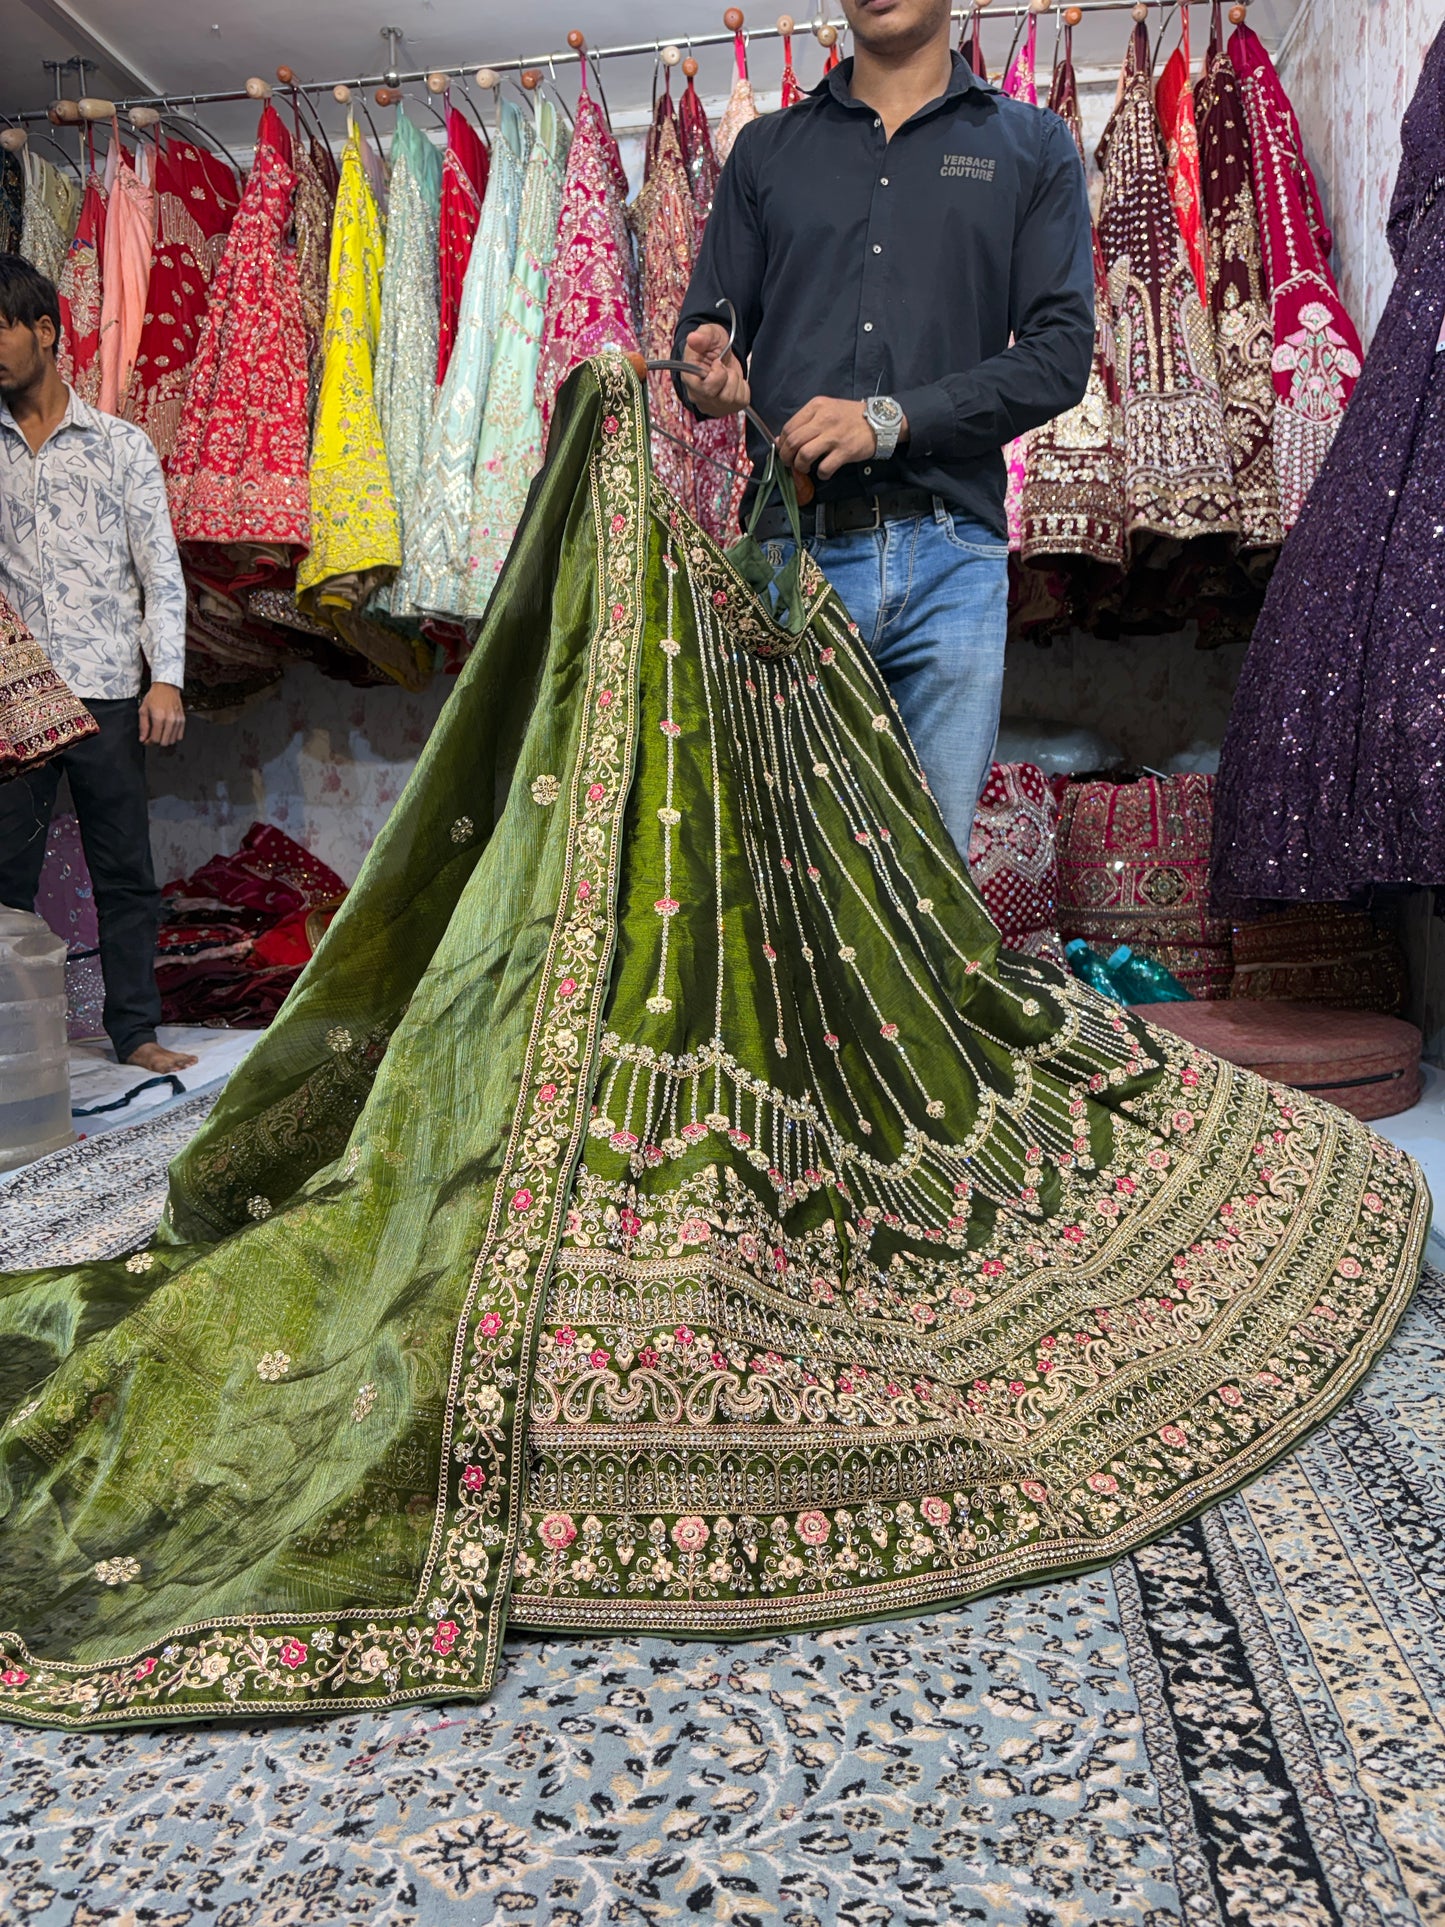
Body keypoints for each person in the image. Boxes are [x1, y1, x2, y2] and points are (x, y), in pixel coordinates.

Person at [0, 357, 1424, 1732]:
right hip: (779, 535)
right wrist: (708, 382)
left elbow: (1047, 351)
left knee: (911, 930)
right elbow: (701, 362)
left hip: (933, 531)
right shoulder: (774, 214)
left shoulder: (1007, 181)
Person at [676, 0, 1095, 850]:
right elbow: (704, 342)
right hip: (791, 559)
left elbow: (1058, 355)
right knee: (780, 877)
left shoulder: (1030, 146)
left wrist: (889, 420)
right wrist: (708, 365)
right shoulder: (765, 153)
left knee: (924, 890)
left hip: (951, 565)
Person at [0, 256, 195, 1076]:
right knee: (6, 875)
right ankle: (13, 1047)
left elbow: (160, 569)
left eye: (1, 327)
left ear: (45, 331)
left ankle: (135, 1032)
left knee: (125, 868)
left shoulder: (120, 445)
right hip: (16, 697)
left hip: (111, 685)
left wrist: (167, 676)